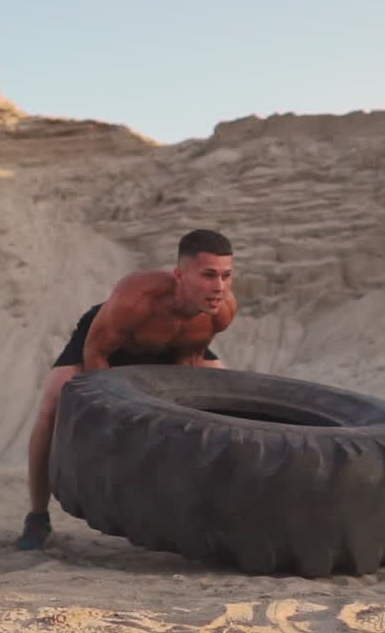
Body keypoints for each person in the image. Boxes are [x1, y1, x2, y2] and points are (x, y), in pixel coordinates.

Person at [15, 228, 238, 550]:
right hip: (108, 343)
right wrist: (110, 425)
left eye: (226, 276)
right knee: (52, 405)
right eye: (208, 275)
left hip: (173, 348)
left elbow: (188, 360)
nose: (219, 287)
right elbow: (96, 355)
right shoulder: (136, 298)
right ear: (180, 275)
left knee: (226, 404)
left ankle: (204, 513)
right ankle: (37, 516)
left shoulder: (220, 311)